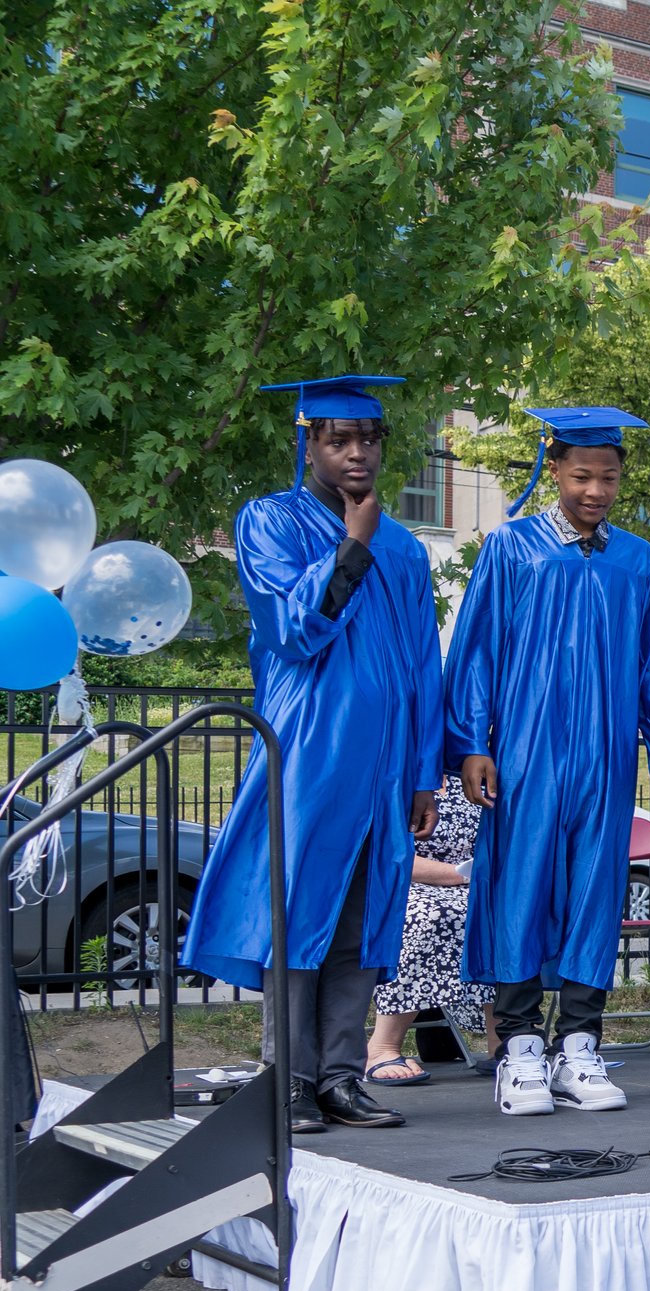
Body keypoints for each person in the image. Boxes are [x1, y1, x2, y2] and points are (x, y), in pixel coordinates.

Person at [184, 374, 444, 1134]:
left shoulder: (404, 544)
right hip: (310, 754)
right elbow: (295, 630)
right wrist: (353, 545)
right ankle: (287, 1081)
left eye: (367, 439)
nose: (357, 453)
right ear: (310, 444)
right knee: (299, 914)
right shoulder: (269, 520)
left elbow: (423, 668)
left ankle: (339, 1075)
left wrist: (425, 772)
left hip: (389, 763)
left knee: (364, 920)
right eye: (339, 440)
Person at [444, 405, 650, 1116]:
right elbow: (475, 654)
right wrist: (471, 742)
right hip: (525, 749)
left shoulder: (637, 560)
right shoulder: (512, 548)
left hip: (606, 754)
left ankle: (580, 1045)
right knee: (520, 884)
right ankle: (520, 1046)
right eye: (581, 475)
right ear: (552, 470)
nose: (595, 490)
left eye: (608, 477)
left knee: (595, 891)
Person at [364, 773, 494, 1084]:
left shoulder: (476, 778)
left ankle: (502, 1042)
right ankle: (381, 1047)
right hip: (403, 884)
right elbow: (383, 854)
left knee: (497, 916)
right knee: (433, 914)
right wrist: (459, 875)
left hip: (477, 884)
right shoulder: (394, 777)